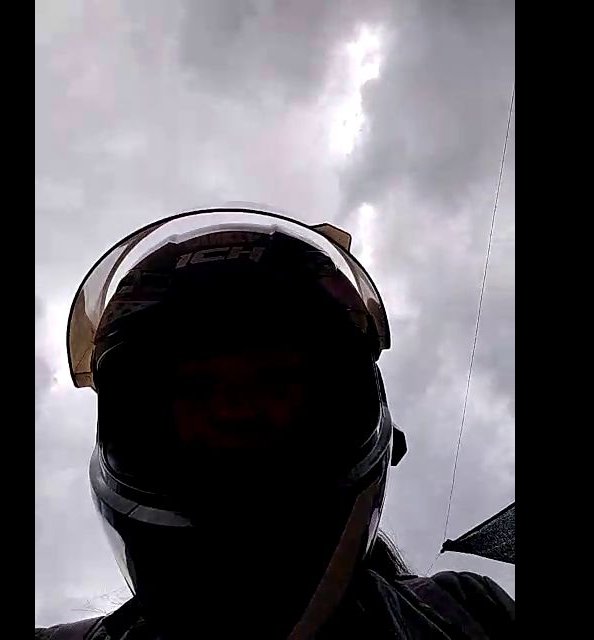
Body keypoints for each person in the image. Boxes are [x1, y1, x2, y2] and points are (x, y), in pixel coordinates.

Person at [36, 208, 515, 640]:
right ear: (141, 429)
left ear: (337, 409)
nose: (236, 412)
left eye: (275, 381)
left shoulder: (466, 611)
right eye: (198, 390)